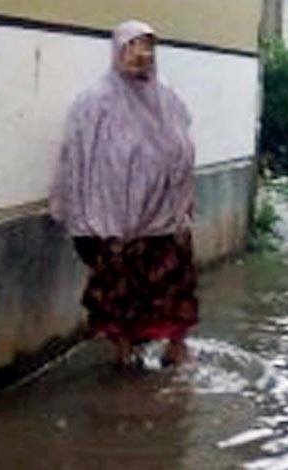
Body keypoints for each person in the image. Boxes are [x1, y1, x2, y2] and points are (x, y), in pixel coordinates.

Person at [50, 20, 198, 368]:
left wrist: (181, 201)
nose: (139, 54)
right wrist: (77, 212)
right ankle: (124, 353)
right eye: (131, 46)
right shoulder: (94, 101)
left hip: (164, 217)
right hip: (115, 219)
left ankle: (176, 349)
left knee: (173, 286)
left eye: (146, 47)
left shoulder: (166, 98)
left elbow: (182, 149)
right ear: (117, 49)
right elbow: (76, 158)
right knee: (119, 291)